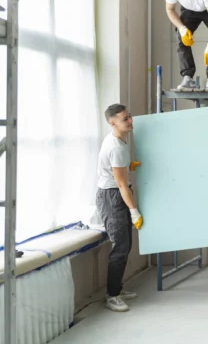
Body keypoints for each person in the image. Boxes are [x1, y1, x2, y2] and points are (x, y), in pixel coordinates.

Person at [96, 103, 143, 312]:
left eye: (129, 116)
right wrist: (134, 211)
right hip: (113, 197)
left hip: (116, 193)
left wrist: (127, 166)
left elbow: (119, 175)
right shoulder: (115, 147)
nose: (130, 121)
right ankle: (112, 295)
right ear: (112, 122)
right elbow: (122, 185)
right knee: (120, 248)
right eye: (125, 119)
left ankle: (117, 288)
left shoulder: (120, 139)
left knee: (125, 246)